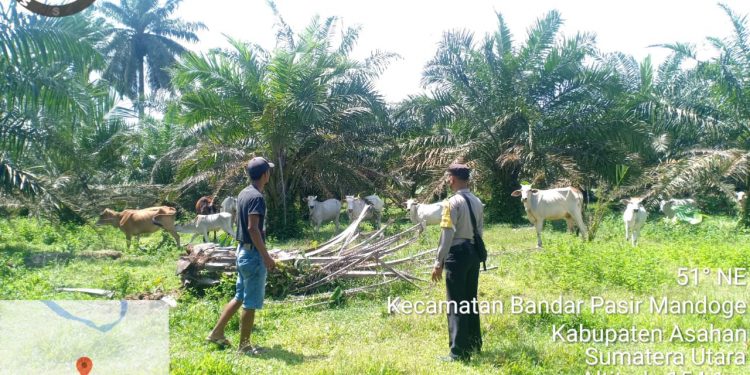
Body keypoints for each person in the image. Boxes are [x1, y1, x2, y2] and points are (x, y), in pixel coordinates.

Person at [206, 156, 277, 355]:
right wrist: (266, 257)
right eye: (268, 171)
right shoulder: (257, 197)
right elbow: (253, 229)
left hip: (242, 251)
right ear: (265, 175)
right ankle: (244, 346)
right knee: (250, 302)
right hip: (253, 255)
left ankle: (217, 333)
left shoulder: (244, 193)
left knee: (239, 296)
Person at [431, 163, 484, 362]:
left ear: (452, 179)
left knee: (456, 304)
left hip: (457, 256)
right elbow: (479, 232)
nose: (447, 180)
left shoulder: (451, 203)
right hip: (473, 254)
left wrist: (438, 262)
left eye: (447, 177)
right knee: (470, 301)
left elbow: (447, 233)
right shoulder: (477, 201)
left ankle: (458, 352)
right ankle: (474, 344)